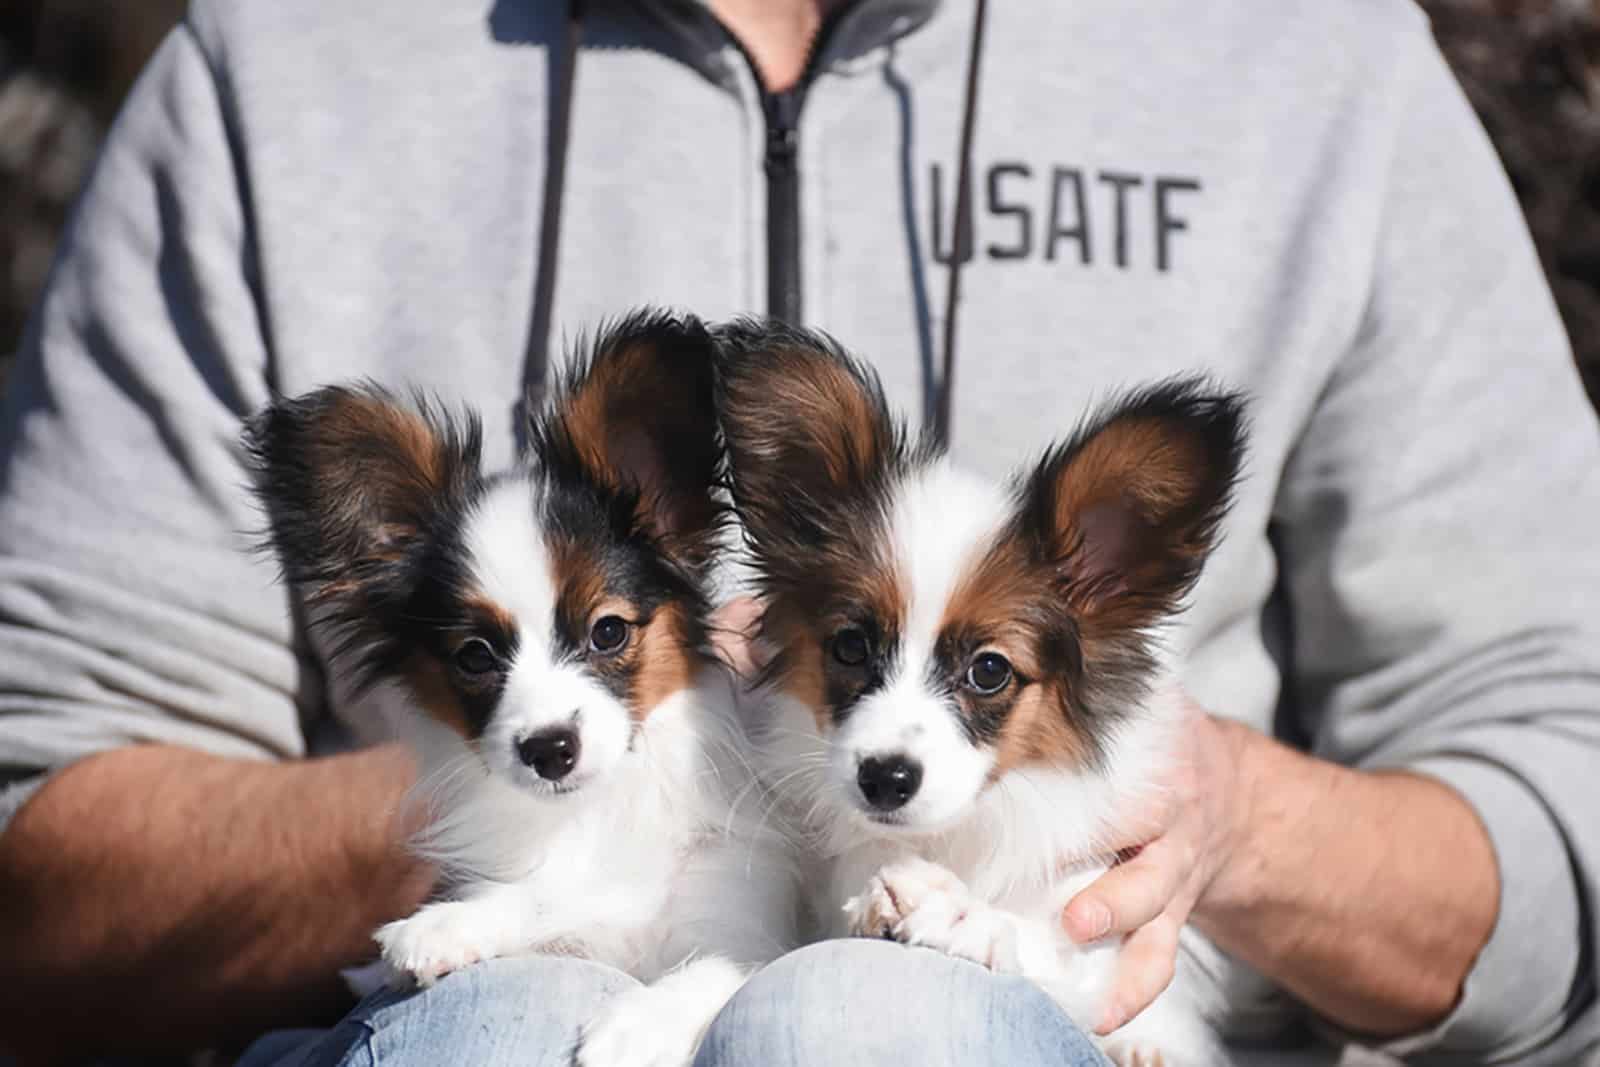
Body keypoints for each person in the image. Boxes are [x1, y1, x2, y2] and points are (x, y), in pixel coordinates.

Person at [0, 0, 1596, 1064]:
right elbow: (37, 871)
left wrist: (1231, 819)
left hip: (1039, 992)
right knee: (514, 1029)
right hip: (464, 1006)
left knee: (876, 1024)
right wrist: (601, 796)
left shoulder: (1311, 52)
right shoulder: (272, 60)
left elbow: (1566, 776)